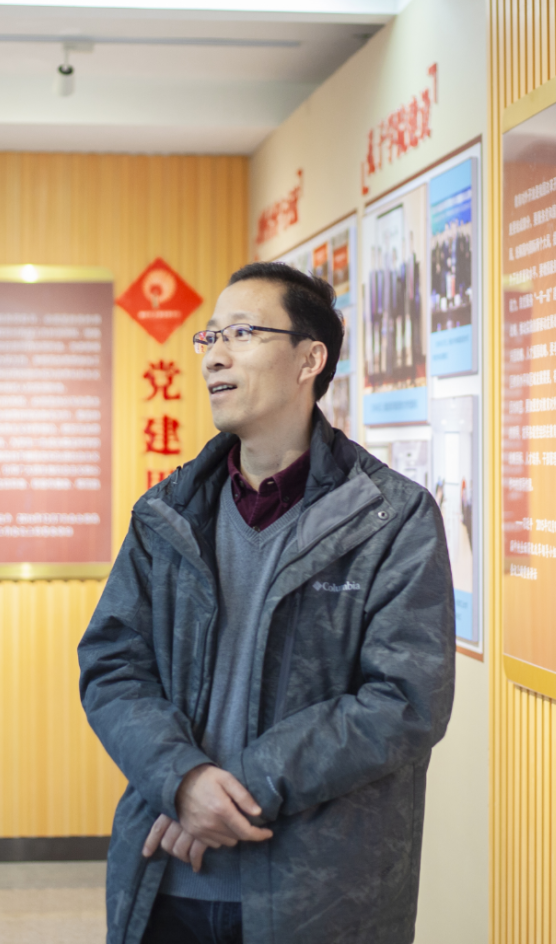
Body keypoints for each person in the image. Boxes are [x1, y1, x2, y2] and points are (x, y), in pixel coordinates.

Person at [79, 262, 455, 944]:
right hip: (168, 880)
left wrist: (235, 786)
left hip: (321, 892)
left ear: (310, 359)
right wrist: (181, 778)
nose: (214, 356)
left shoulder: (391, 518)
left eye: (243, 333)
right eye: (210, 337)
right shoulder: (167, 513)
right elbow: (112, 665)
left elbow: (404, 699)